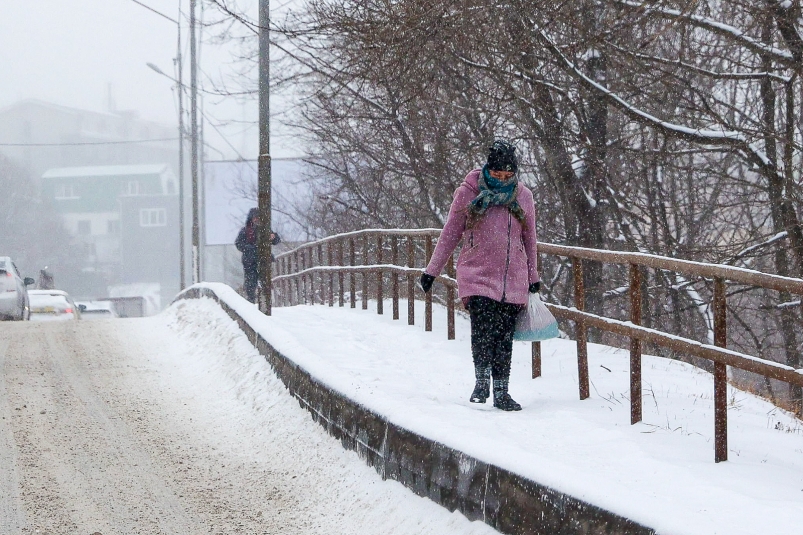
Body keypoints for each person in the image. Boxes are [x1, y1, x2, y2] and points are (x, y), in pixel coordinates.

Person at [420, 140, 540, 411]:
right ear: (489, 168)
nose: (502, 179)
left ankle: (502, 391)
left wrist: (533, 275)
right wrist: (432, 271)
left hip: (513, 277)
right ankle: (482, 380)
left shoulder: (523, 197)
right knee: (483, 327)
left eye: (508, 175)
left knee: (504, 335)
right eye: (498, 174)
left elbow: (530, 238)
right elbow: (451, 232)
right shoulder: (468, 193)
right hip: (477, 273)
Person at [235, 208, 281, 303]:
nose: (257, 220)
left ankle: (264, 300)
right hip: (250, 260)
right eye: (255, 217)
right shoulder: (245, 231)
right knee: (251, 282)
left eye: (258, 217)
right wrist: (251, 248)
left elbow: (276, 241)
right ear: (251, 218)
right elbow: (239, 244)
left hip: (262, 259)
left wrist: (274, 236)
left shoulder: (265, 229)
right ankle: (252, 300)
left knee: (263, 280)